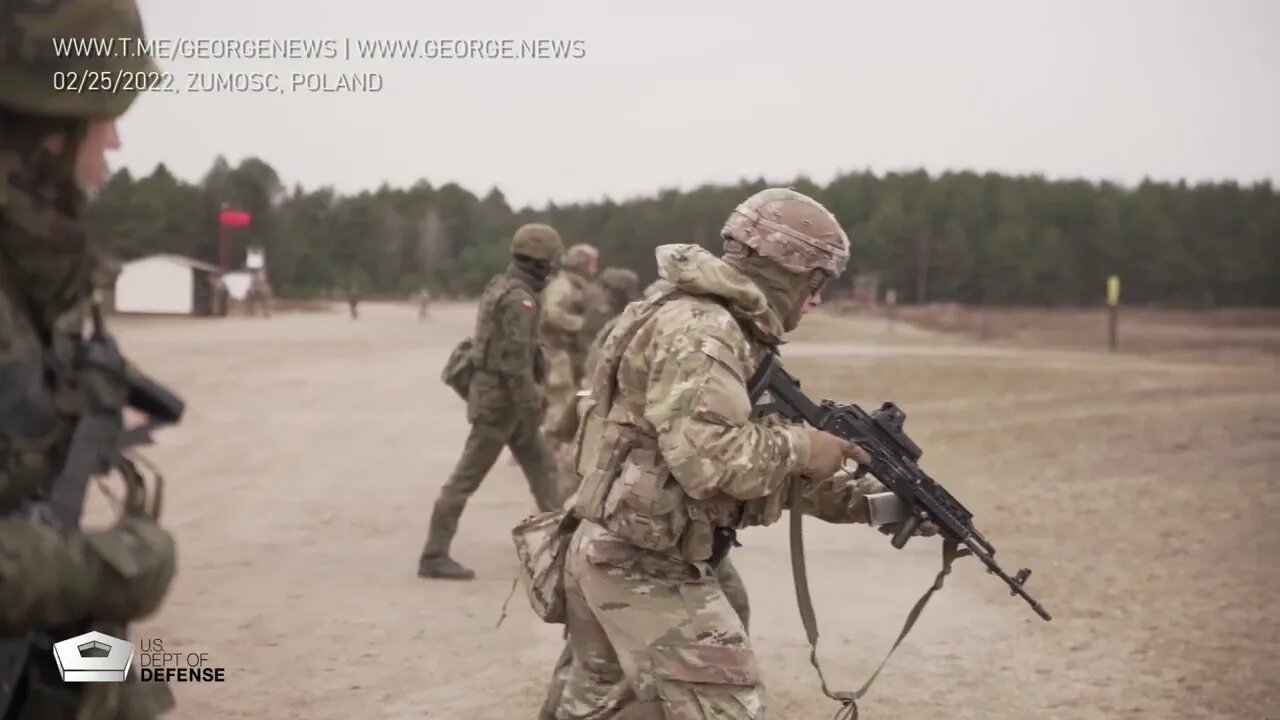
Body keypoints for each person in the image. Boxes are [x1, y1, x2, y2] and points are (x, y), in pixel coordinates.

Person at [539, 188, 934, 719]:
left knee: (609, 706)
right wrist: (803, 445)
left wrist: (877, 503)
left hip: (625, 547)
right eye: (813, 283)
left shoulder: (708, 322)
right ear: (782, 271)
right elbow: (712, 462)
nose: (815, 300)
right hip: (641, 563)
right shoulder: (705, 331)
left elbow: (753, 463)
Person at [0, 2, 180, 718]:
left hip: (39, 659)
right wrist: (98, 570)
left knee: (150, 687)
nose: (114, 140)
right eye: (100, 117)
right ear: (40, 131)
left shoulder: (38, 284)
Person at [418, 224, 565, 580]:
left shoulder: (502, 287)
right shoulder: (520, 299)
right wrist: (531, 408)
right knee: (465, 478)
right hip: (503, 407)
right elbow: (515, 364)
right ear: (541, 262)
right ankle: (434, 555)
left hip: (503, 403)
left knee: (544, 472)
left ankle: (566, 550)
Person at [538, 243, 606, 490]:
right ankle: (548, 462)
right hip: (558, 355)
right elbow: (552, 313)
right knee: (561, 403)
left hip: (570, 355)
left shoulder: (579, 287)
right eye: (591, 263)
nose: (594, 269)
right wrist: (581, 325)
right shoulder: (563, 286)